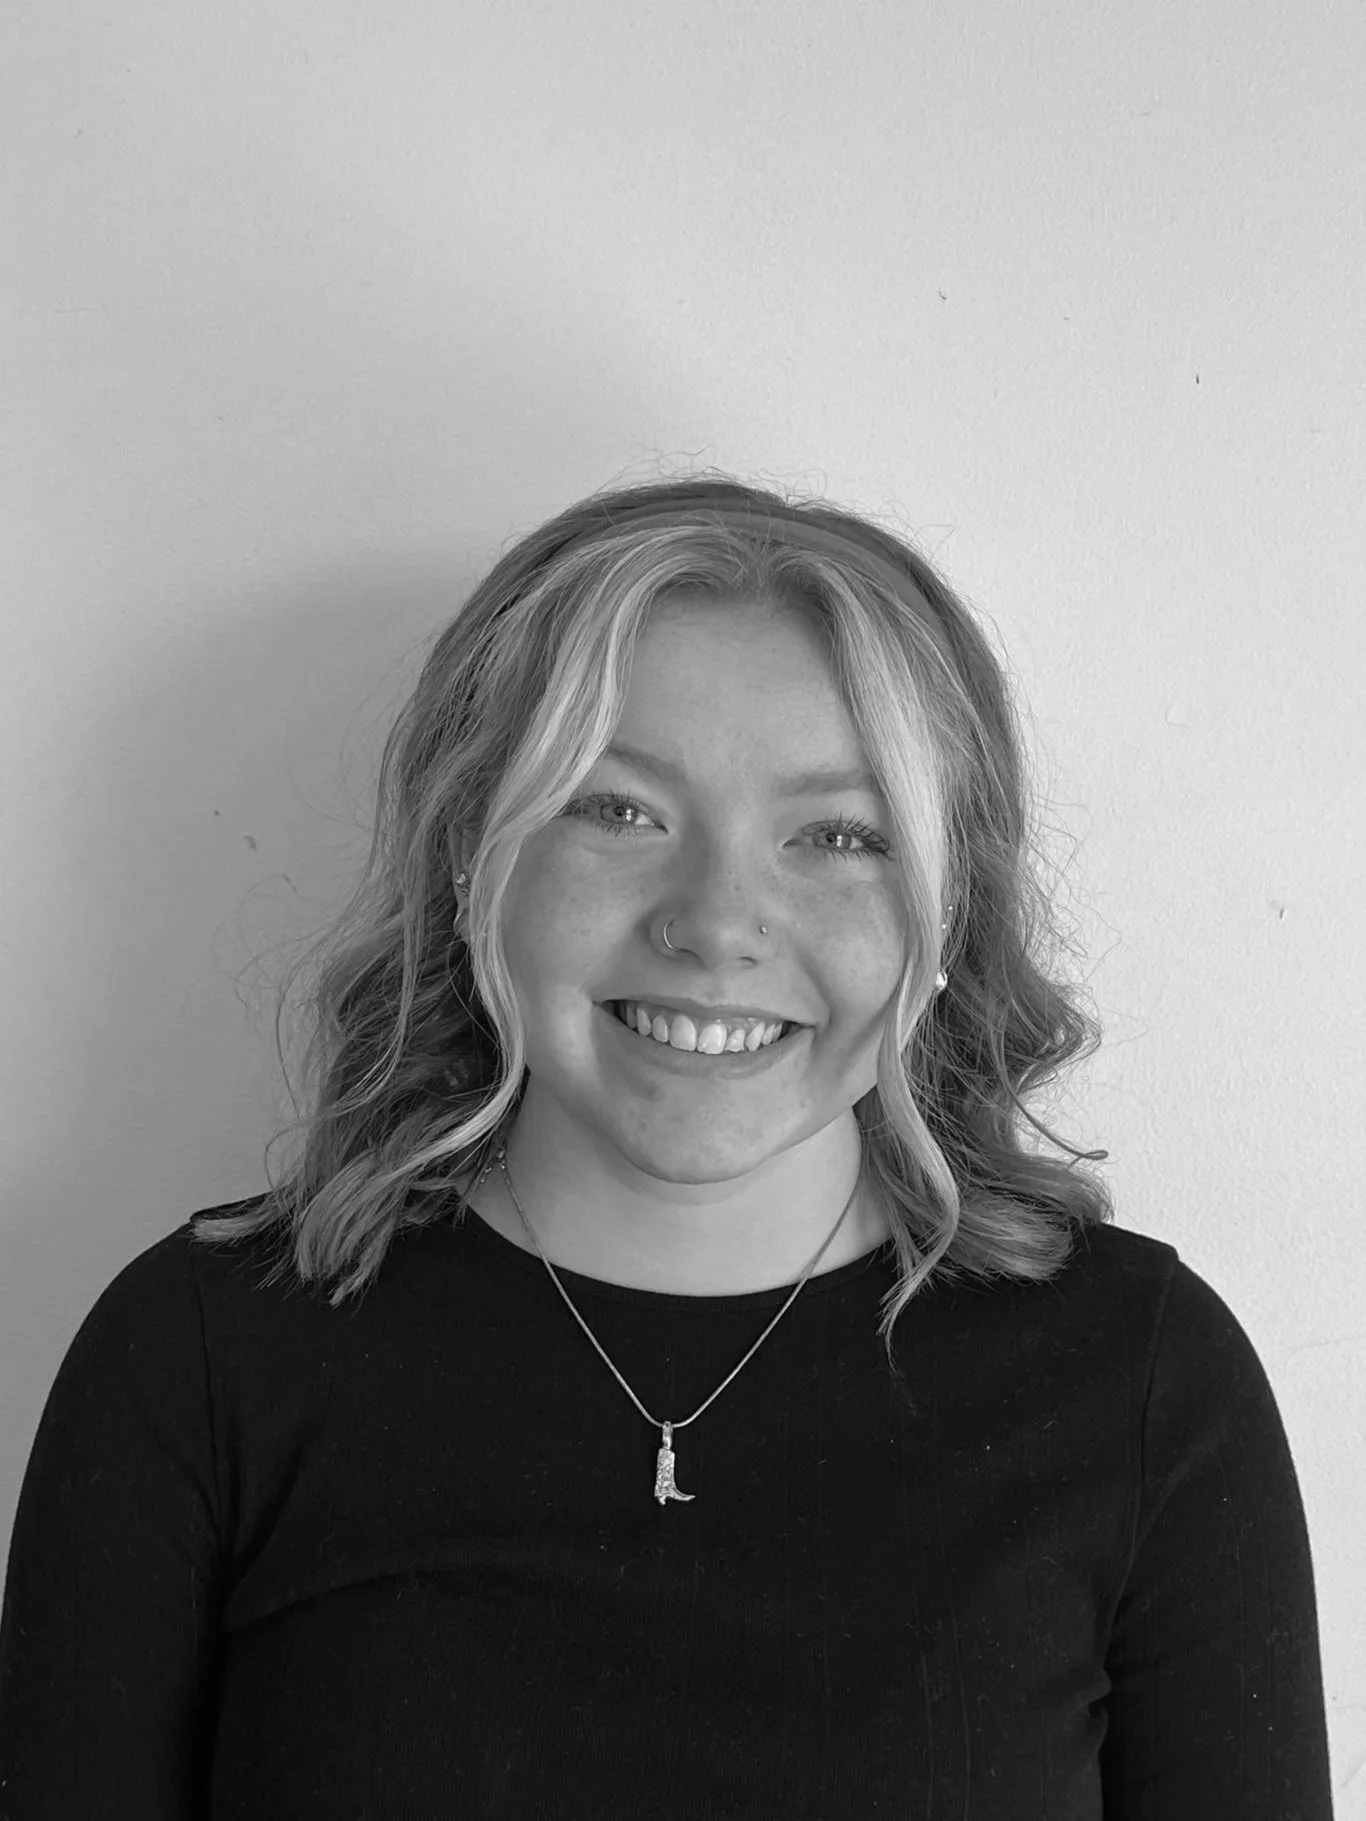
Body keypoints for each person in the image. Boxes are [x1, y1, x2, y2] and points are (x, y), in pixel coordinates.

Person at [0, 474, 1334, 1818]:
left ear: (946, 916)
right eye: (618, 809)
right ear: (473, 857)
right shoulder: (204, 1356)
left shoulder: (1139, 1382)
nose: (716, 923)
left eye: (837, 836)